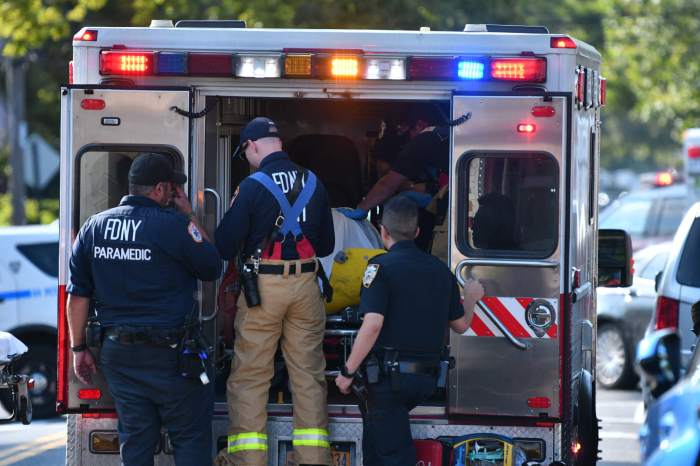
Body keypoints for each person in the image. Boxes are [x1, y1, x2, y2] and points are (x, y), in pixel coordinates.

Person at [66, 153, 222, 466]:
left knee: (135, 441)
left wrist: (78, 348)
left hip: (119, 356)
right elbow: (212, 266)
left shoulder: (94, 227)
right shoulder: (176, 226)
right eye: (174, 189)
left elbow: (78, 297)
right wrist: (190, 215)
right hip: (172, 357)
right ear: (161, 189)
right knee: (190, 438)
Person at [215, 117, 335, 466]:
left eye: (245, 152)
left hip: (263, 289)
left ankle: (249, 459)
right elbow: (325, 244)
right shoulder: (314, 182)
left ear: (253, 145)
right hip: (306, 286)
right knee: (308, 374)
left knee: (251, 374)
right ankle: (312, 459)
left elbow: (224, 245)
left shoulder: (252, 186)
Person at [335, 195, 484, 466]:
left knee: (392, 454)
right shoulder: (441, 271)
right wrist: (471, 297)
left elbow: (373, 324)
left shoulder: (380, 267)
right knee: (377, 446)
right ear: (416, 232)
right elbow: (461, 325)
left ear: (383, 230)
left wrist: (347, 372)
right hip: (425, 380)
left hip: (388, 381)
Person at [342, 109, 450, 251]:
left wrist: (362, 209)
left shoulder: (425, 139)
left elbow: (388, 183)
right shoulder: (444, 134)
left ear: (420, 125)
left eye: (404, 128)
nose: (401, 133)